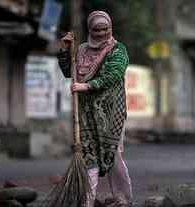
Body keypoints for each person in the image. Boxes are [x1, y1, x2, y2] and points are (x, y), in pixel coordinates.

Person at [57, 11, 132, 207]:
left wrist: (87, 86)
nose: (102, 33)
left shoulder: (118, 50)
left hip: (111, 113)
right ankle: (87, 201)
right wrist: (65, 51)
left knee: (113, 153)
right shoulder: (81, 50)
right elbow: (68, 72)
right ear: (90, 30)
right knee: (88, 155)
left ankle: (122, 199)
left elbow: (113, 75)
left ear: (111, 28)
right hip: (85, 113)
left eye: (105, 29)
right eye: (97, 30)